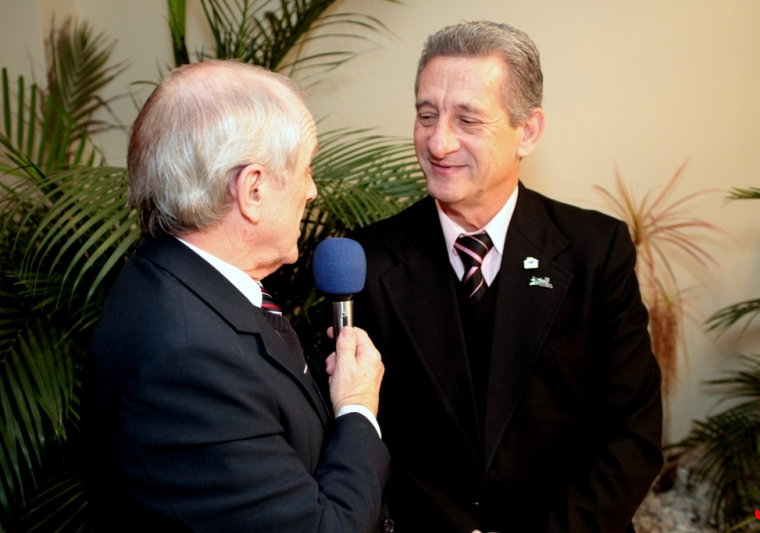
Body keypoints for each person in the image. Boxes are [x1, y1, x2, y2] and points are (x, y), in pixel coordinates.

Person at [354, 21, 663, 533]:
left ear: (528, 131)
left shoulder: (595, 251)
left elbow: (630, 433)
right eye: (427, 115)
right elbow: (366, 434)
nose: (438, 142)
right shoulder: (367, 261)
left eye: (467, 119)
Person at [86, 60, 393, 533]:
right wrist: (356, 405)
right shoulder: (189, 359)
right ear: (253, 190)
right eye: (306, 169)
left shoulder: (183, 280)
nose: (312, 190)